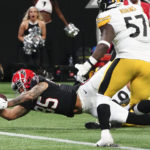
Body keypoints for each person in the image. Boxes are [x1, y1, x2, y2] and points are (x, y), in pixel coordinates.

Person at [0, 69, 150, 147]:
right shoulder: (27, 102)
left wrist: (7, 102)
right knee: (132, 119)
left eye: (19, 86)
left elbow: (30, 95)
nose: (19, 90)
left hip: (86, 92)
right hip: (87, 107)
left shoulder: (38, 82)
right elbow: (10, 115)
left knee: (112, 67)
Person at [75, 0, 150, 145]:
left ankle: (105, 136)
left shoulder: (107, 15)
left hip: (127, 59)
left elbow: (104, 45)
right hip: (148, 63)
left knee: (102, 97)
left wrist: (87, 66)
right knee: (138, 107)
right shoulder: (136, 8)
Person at [18, 6, 46, 74]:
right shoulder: (24, 23)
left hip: (37, 49)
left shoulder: (41, 23)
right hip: (27, 50)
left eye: (34, 12)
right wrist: (28, 41)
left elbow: (44, 36)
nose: (33, 13)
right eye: (31, 12)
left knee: (37, 65)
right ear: (29, 14)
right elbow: (19, 36)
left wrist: (37, 41)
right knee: (28, 65)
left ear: (37, 14)